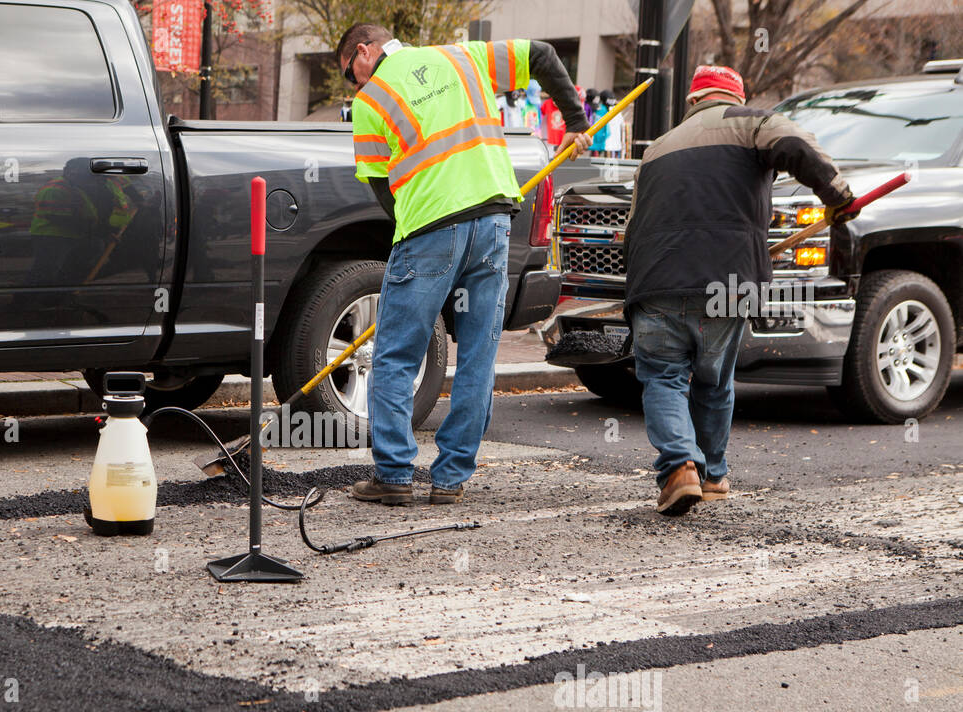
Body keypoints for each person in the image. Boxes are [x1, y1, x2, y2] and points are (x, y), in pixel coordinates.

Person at [340, 23, 590, 505]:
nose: (356, 85)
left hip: (431, 230)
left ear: (365, 52)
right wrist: (575, 121)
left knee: (395, 354)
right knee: (477, 356)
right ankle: (450, 479)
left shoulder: (371, 103)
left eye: (352, 72)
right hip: (494, 222)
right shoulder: (461, 57)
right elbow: (541, 52)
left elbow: (380, 187)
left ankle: (393, 475)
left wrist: (415, 229)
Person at [623, 64, 857, 516]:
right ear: (735, 96)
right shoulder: (753, 123)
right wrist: (839, 196)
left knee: (662, 379)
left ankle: (679, 469)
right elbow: (796, 145)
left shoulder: (654, 151)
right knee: (713, 380)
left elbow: (631, 230)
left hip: (656, 282)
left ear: (692, 102)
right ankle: (711, 475)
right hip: (727, 281)